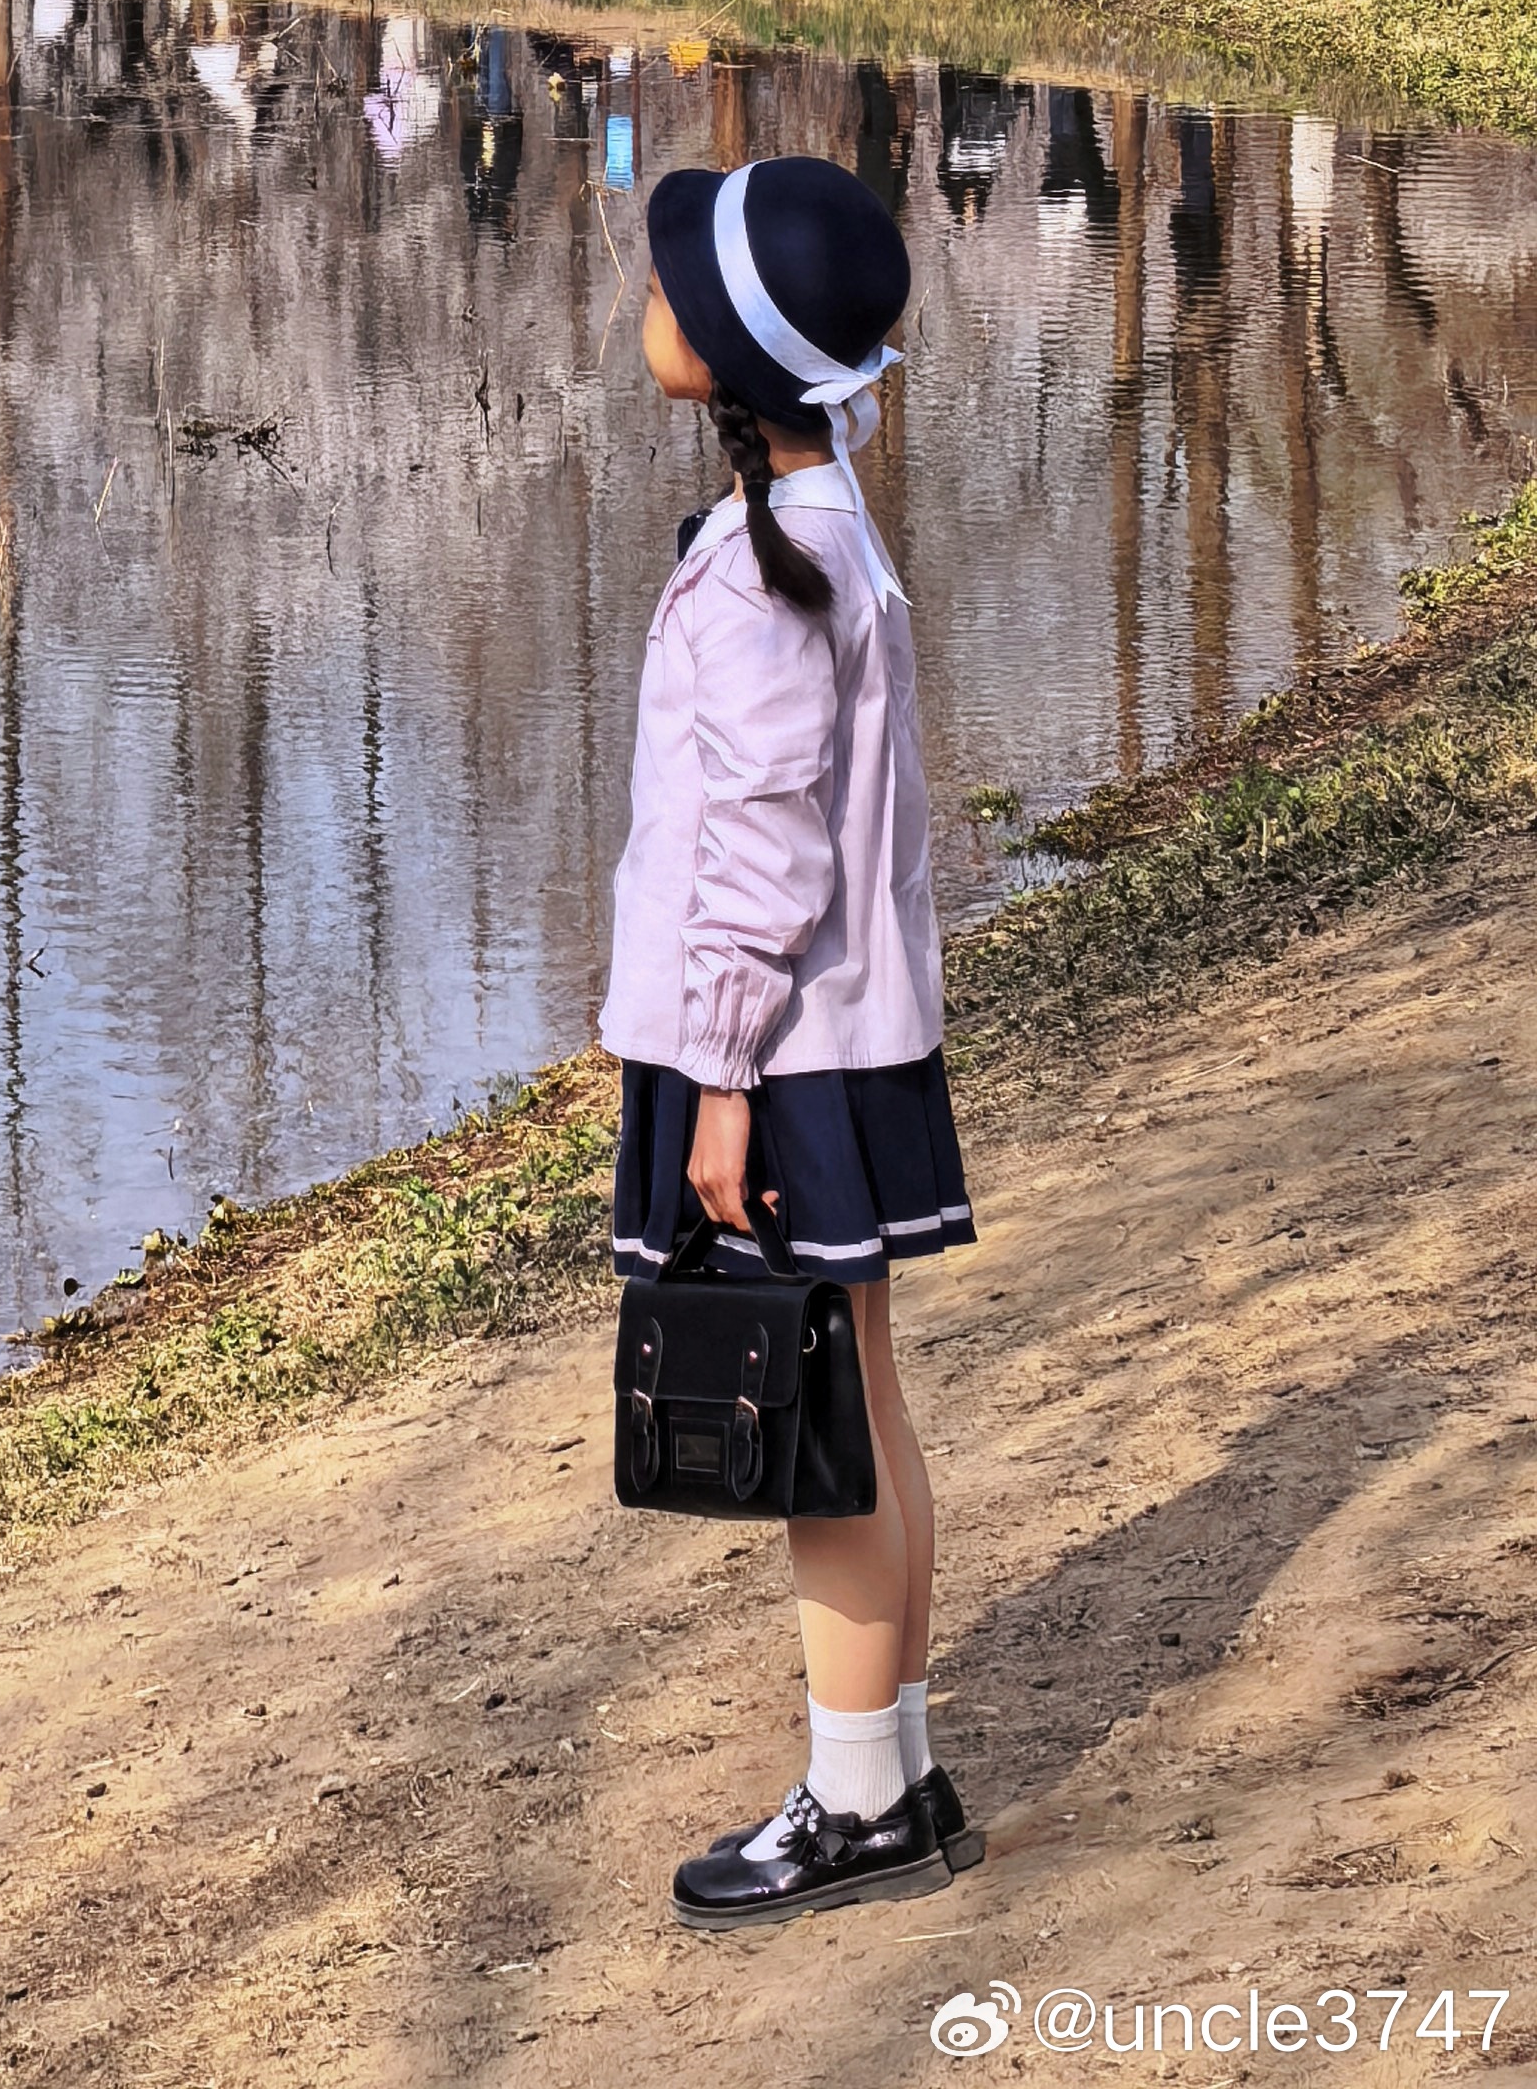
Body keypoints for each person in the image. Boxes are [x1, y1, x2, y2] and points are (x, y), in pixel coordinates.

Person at [612, 154, 976, 1928]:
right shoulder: (819, 529)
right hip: (856, 1039)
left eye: (671, 283)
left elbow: (756, 842)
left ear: (744, 362)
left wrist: (722, 1075)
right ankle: (890, 1766)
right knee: (865, 1401)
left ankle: (848, 1807)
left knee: (810, 1431)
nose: (646, 296)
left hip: (787, 1052)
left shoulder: (774, 571)